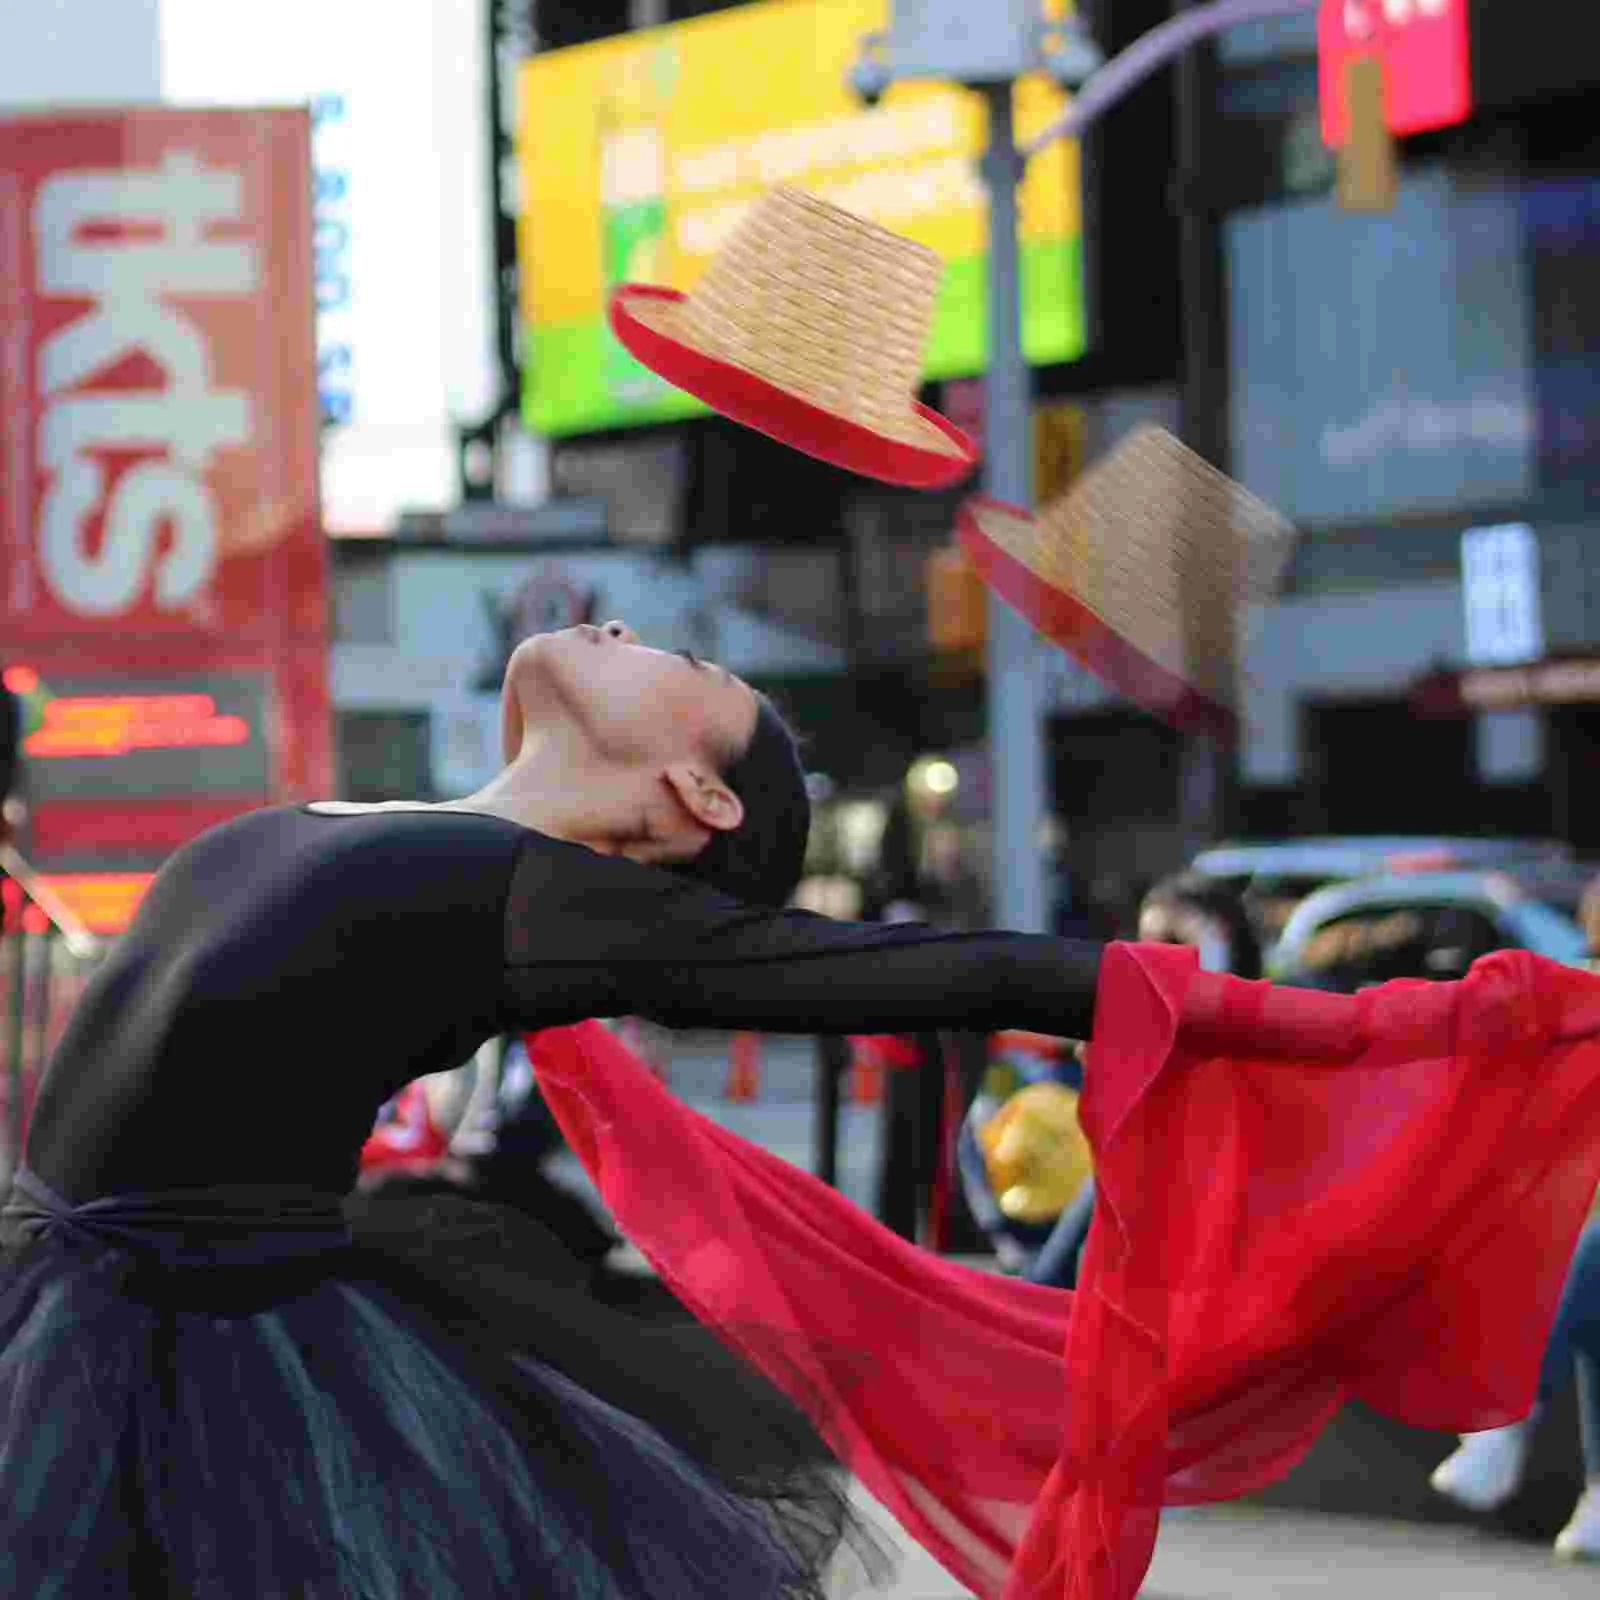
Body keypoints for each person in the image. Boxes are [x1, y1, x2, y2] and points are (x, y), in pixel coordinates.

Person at [5, 619, 1600, 1600]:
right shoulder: (397, 825)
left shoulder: (545, 902)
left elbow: (969, 971)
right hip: (68, 1302)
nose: (634, 631)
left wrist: (1397, 1021)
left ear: (692, 802)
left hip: (205, 1360)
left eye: (689, 667)